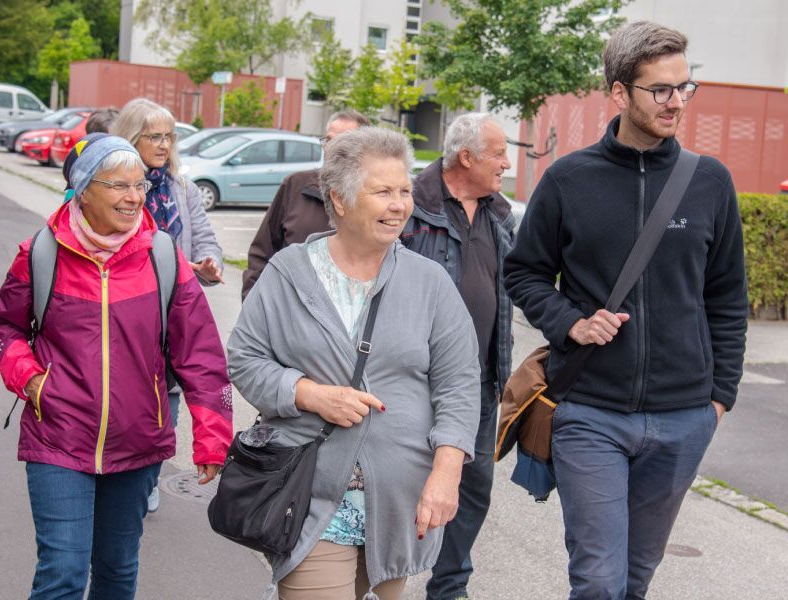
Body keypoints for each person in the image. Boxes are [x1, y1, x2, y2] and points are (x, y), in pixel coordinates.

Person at [503, 21, 748, 600]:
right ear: (619, 92)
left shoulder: (710, 182)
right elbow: (524, 271)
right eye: (660, 89)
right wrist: (571, 322)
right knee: (597, 577)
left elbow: (727, 296)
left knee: (635, 577)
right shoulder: (568, 179)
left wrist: (720, 398)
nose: (676, 102)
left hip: (685, 416)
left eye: (685, 87)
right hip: (591, 412)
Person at [227, 127, 481, 600]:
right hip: (310, 491)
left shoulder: (430, 282)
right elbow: (244, 359)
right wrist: (308, 393)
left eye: (404, 191)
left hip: (398, 499)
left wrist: (447, 472)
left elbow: (459, 382)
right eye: (382, 191)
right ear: (340, 201)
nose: (399, 204)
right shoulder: (288, 273)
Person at [0, 135, 233, 599]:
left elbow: (200, 352)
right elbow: (1, 330)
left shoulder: (163, 257)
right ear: (83, 189)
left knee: (118, 571)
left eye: (138, 184)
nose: (134, 196)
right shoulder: (42, 253)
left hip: (138, 441)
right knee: (62, 570)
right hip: (57, 437)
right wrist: (33, 382)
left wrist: (212, 436)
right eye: (118, 185)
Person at [400, 112, 515, 600]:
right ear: (466, 157)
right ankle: (380, 580)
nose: (507, 164)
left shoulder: (498, 214)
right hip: (414, 382)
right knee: (398, 486)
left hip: (482, 382)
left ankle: (449, 587)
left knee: (473, 490)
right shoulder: (409, 206)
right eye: (499, 154)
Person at [112, 97, 224, 512]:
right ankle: (120, 465)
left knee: (170, 391)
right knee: (127, 387)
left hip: (173, 311)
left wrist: (208, 262)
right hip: (127, 308)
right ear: (131, 137)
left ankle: (150, 471)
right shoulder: (115, 186)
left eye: (169, 136)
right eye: (154, 136)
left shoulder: (182, 188)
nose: (164, 144)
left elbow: (206, 237)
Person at [241, 109, 370, 300]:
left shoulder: (372, 199)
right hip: (285, 313)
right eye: (328, 140)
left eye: (342, 141)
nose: (330, 147)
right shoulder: (296, 185)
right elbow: (262, 253)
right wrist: (252, 303)